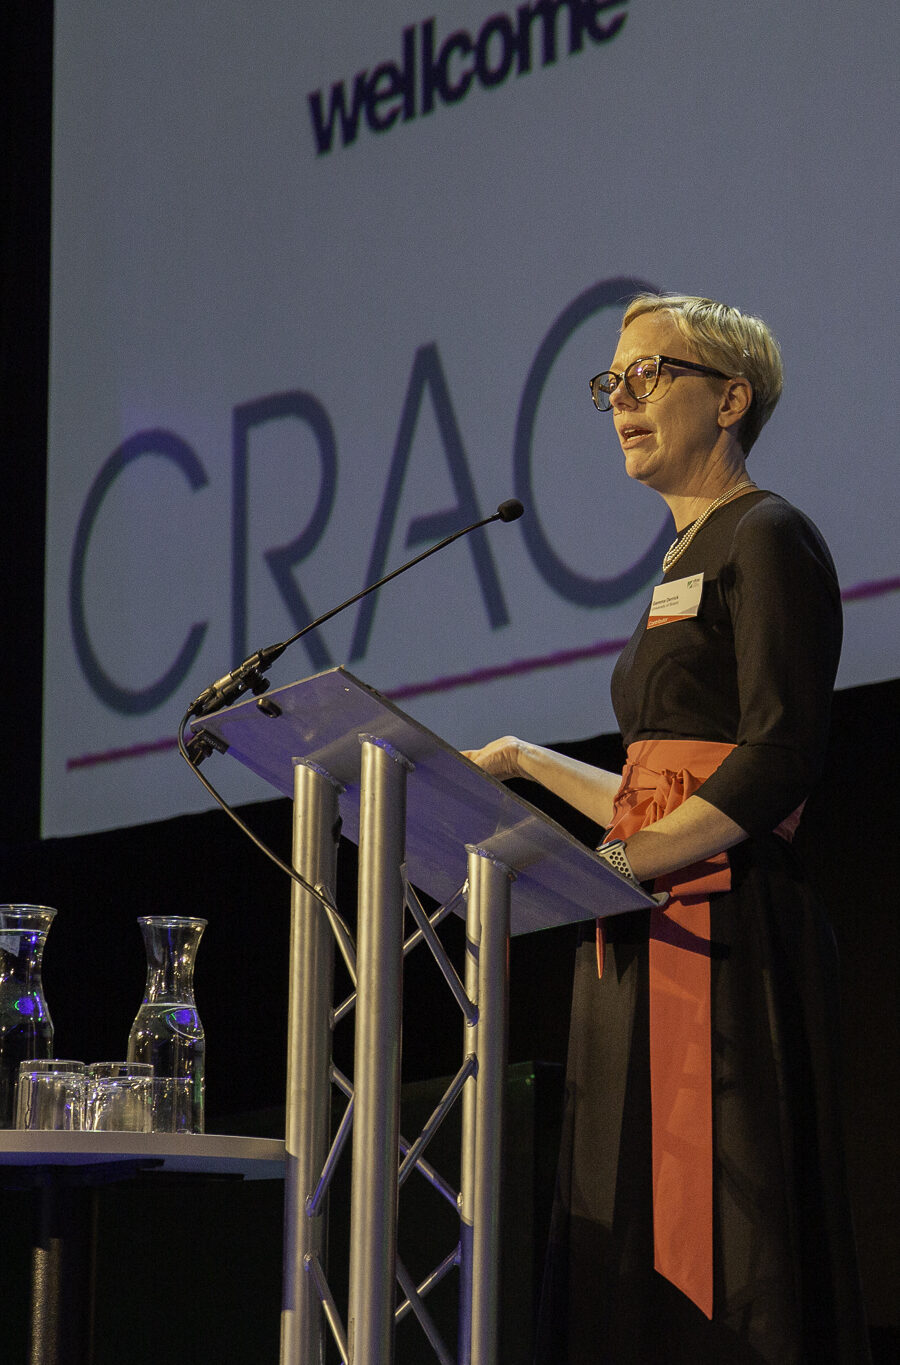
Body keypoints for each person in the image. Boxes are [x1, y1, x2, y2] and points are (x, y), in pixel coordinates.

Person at [463, 293, 871, 1363]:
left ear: (729, 398)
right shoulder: (678, 567)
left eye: (649, 376)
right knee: (623, 1228)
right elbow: (654, 783)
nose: (620, 403)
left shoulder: (768, 534)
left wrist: (609, 865)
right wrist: (523, 763)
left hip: (726, 940)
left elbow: (777, 757)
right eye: (611, 385)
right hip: (643, 929)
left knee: (729, 1245)